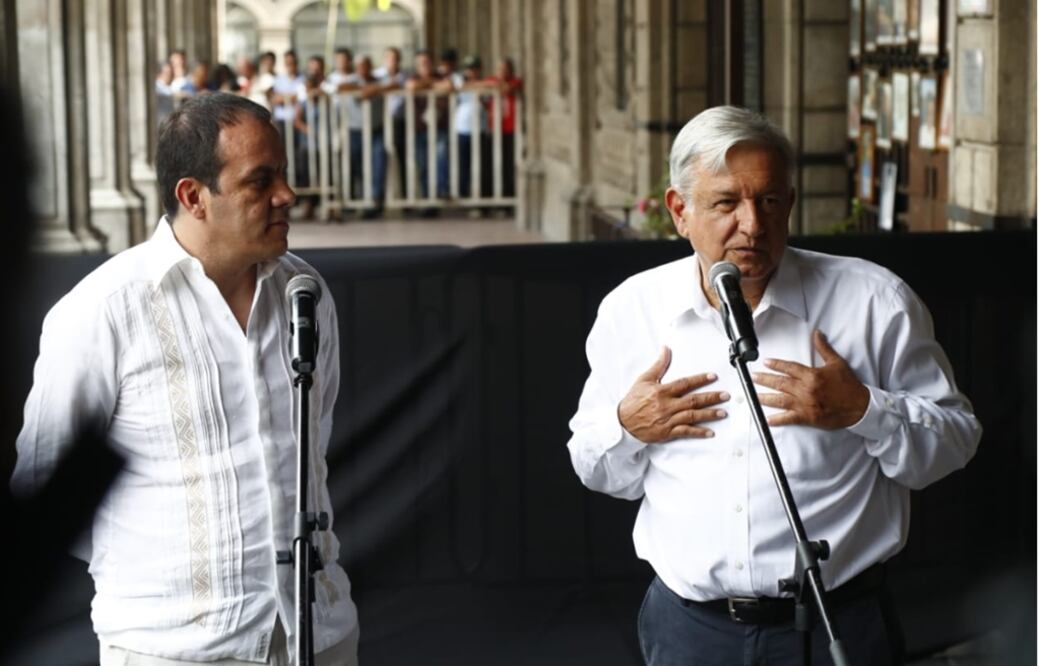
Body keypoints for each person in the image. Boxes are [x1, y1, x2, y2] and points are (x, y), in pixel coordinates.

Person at [566, 105, 981, 666]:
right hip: (690, 630)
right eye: (726, 203)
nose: (753, 225)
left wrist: (863, 409)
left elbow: (954, 443)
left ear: (790, 203)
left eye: (769, 200)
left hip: (838, 624)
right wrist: (625, 426)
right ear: (678, 211)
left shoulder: (873, 300)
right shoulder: (632, 311)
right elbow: (596, 469)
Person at [11, 93, 359, 665]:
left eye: (285, 175)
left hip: (319, 635)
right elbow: (45, 486)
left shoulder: (306, 293)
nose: (286, 195)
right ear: (193, 196)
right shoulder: (102, 311)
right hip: (171, 649)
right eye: (260, 181)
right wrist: (172, 583)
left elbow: (310, 445)